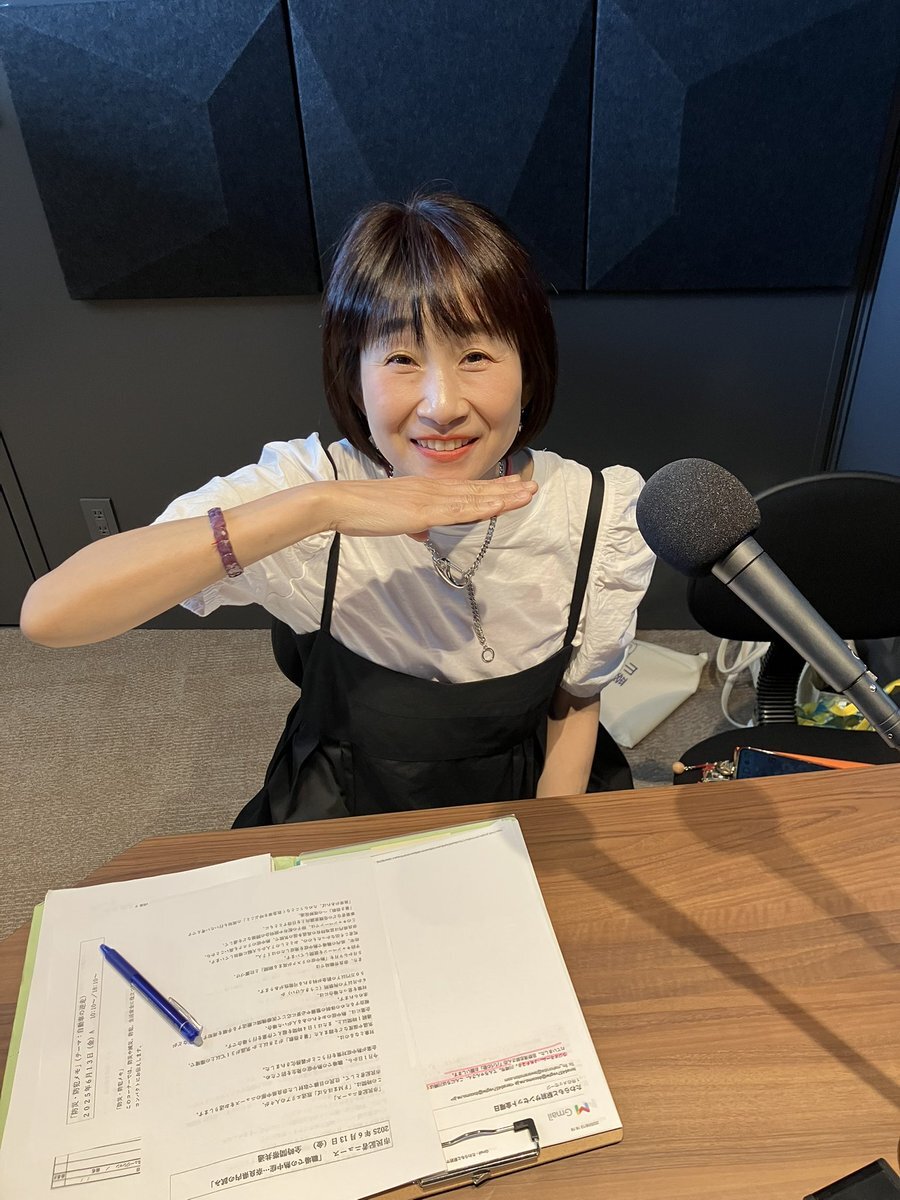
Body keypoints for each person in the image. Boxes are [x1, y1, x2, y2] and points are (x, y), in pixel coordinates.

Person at [20, 193, 655, 824]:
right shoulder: (309, 487)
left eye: (475, 357)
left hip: (522, 793)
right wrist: (322, 507)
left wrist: (543, 838)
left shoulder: (593, 515)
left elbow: (575, 701)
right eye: (401, 358)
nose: (442, 405)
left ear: (529, 371)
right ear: (354, 376)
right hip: (347, 799)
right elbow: (51, 615)